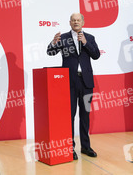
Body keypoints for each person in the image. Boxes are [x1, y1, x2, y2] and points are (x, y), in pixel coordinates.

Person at [47, 13, 100, 160]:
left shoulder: (89, 37)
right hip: (69, 82)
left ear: (83, 22)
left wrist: (85, 43)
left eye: (78, 20)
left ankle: (86, 146)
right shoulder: (63, 38)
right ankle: (70, 148)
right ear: (70, 22)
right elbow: (50, 53)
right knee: (69, 116)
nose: (76, 22)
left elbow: (96, 55)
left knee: (85, 116)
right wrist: (53, 43)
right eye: (73, 20)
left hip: (86, 82)